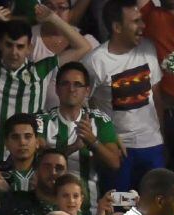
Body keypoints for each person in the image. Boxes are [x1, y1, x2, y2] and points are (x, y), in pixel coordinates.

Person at [0, 5, 92, 163]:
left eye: (20, 46)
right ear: (1, 45)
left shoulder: (41, 70)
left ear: (29, 49)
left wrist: (52, 18)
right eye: (9, 45)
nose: (14, 52)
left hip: (29, 162)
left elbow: (84, 46)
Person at [82, 0, 166, 191]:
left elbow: (157, 99)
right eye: (136, 22)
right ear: (117, 27)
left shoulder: (148, 48)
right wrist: (105, 137)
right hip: (118, 150)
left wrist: (162, 139)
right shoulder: (95, 62)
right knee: (118, 210)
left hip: (152, 145)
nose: (143, 26)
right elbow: (84, 105)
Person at [37, 61, 123, 207]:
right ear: (57, 89)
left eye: (78, 84)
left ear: (87, 90)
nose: (71, 89)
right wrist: (74, 147)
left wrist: (93, 142)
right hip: (47, 205)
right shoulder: (42, 121)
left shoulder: (100, 120)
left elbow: (114, 163)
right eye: (65, 84)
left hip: (89, 206)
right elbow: (36, 162)